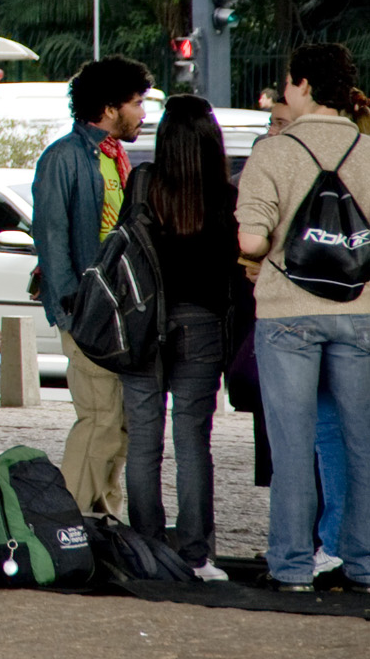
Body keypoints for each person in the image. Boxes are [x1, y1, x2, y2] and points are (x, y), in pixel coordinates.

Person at [235, 44, 370, 591]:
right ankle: (363, 563)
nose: (284, 92)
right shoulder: (368, 149)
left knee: (293, 445)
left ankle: (291, 566)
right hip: (360, 310)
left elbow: (251, 238)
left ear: (306, 85)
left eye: (288, 83)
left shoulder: (273, 152)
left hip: (288, 313)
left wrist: (261, 252)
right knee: (362, 444)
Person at [117, 96, 238, 581]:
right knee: (193, 441)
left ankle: (148, 551)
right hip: (203, 327)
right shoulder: (226, 197)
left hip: (146, 326)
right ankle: (195, 554)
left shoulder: (143, 184)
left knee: (143, 443)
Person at [34, 55, 151, 516]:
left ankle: (101, 517)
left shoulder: (116, 156)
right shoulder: (64, 157)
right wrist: (70, 311)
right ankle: (74, 521)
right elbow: (53, 238)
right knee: (102, 417)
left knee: (116, 423)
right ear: (108, 107)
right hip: (88, 311)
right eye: (137, 103)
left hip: (114, 311)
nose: (143, 113)